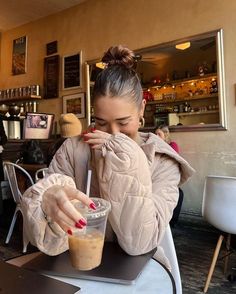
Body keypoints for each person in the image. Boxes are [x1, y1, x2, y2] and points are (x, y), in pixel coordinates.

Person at [22, 45, 194, 267]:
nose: (112, 133)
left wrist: (125, 162)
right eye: (101, 123)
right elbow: (50, 238)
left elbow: (140, 243)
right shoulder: (73, 150)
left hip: (140, 269)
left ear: (142, 109)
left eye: (123, 123)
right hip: (75, 264)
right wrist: (46, 202)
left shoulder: (163, 161)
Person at [155, 124, 183, 226]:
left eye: (159, 134)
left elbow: (173, 159)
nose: (156, 136)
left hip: (168, 176)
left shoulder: (172, 145)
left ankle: (172, 222)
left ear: (166, 135)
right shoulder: (154, 145)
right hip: (157, 176)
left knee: (179, 193)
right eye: (155, 134)